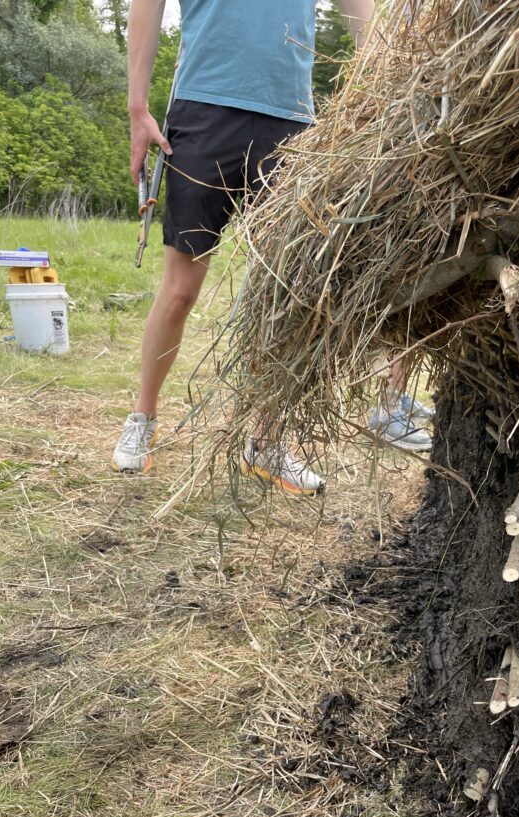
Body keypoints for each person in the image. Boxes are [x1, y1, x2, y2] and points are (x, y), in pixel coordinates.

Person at [112, 0, 376, 494]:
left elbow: (359, 8)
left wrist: (375, 86)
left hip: (291, 123)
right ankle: (142, 419)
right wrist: (137, 109)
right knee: (181, 291)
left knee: (287, 293)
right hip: (205, 111)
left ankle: (266, 440)